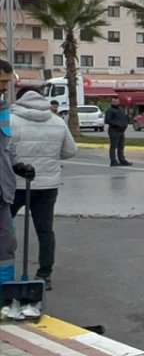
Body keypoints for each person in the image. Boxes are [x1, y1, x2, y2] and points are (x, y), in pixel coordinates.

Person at [11, 90, 77, 290]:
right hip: (47, 185)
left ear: (19, 99)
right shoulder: (57, 121)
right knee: (45, 231)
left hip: (15, 184)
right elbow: (71, 150)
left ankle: (4, 271)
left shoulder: (11, 120)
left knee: (4, 228)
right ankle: (44, 274)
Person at [0, 60, 38, 287]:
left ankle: (4, 293)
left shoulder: (3, 108)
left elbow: (7, 144)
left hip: (2, 193)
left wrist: (17, 165)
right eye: (2, 81)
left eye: (8, 81)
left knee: (6, 244)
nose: (6, 86)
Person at [104, 97, 131, 166]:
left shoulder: (121, 110)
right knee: (113, 146)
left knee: (121, 146)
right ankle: (113, 161)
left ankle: (122, 160)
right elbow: (107, 120)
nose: (115, 103)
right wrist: (117, 125)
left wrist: (126, 123)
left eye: (116, 102)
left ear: (119, 102)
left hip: (121, 131)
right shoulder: (110, 110)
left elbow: (124, 118)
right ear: (111, 102)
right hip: (114, 130)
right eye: (114, 102)